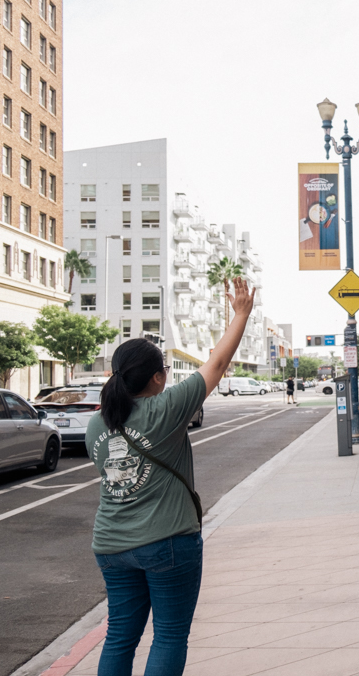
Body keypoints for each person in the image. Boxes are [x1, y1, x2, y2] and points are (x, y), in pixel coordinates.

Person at [89, 277, 255, 675]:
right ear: (158, 378)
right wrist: (241, 313)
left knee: (119, 637)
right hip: (166, 543)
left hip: (111, 545)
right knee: (168, 635)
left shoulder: (98, 423)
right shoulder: (165, 410)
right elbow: (216, 364)